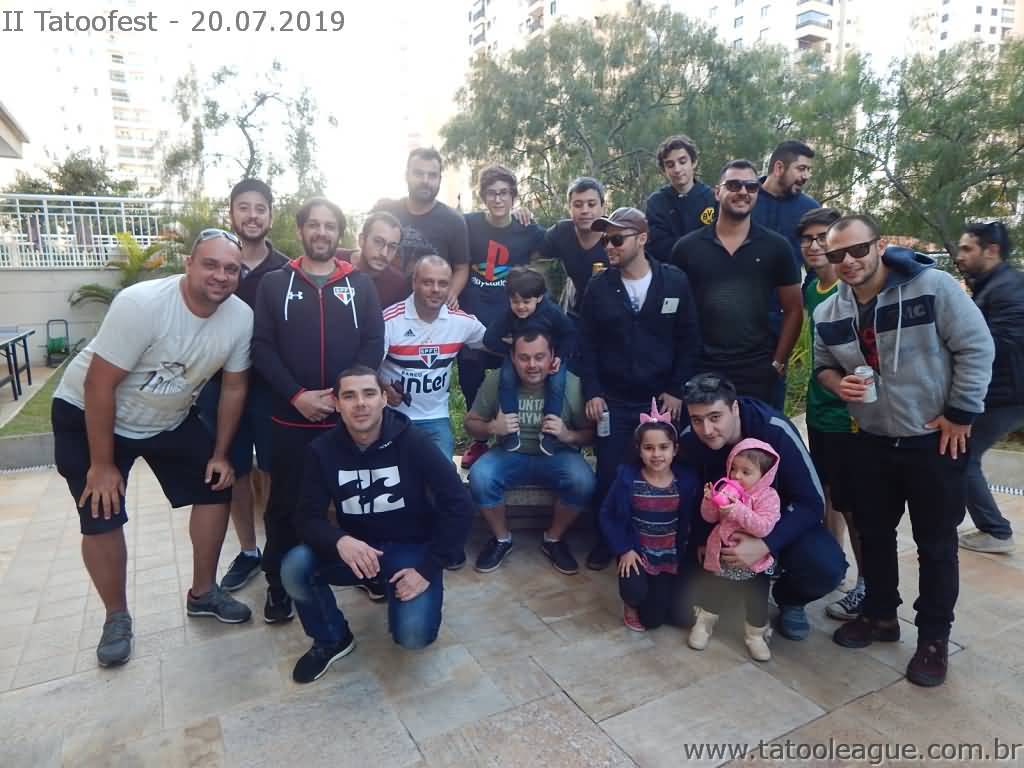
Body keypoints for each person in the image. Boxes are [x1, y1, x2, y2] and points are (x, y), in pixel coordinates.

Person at [52, 229, 255, 667]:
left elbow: (235, 387)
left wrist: (220, 453)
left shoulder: (240, 317)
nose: (221, 275)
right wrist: (102, 465)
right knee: (102, 509)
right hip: (89, 412)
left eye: (231, 269)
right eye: (211, 264)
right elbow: (98, 384)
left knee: (215, 484)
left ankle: (204, 593)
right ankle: (116, 617)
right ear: (189, 263)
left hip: (167, 418)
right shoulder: (142, 304)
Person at [814, 214, 994, 687]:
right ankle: (880, 615)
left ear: (879, 246)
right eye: (837, 254)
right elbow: (822, 366)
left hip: (934, 440)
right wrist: (838, 384)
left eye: (858, 249)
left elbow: (977, 347)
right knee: (874, 535)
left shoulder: (932, 288)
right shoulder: (828, 312)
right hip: (872, 440)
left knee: (936, 546)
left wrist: (961, 413)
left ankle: (933, 638)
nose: (849, 261)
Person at [281, 366, 473, 683]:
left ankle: (397, 588)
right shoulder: (322, 450)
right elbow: (306, 517)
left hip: (410, 548)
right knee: (295, 566)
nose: (360, 403)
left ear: (384, 399)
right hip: (357, 550)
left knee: (414, 637)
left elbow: (460, 503)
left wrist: (428, 568)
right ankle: (332, 639)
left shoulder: (413, 441)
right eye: (349, 396)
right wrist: (339, 541)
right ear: (336, 403)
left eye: (369, 394)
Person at [253, 197, 385, 623]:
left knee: (358, 501)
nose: (322, 232)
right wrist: (298, 396)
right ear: (301, 230)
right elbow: (262, 347)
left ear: (339, 233)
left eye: (330, 226)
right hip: (291, 419)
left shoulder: (360, 285)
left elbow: (373, 343)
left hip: (347, 420)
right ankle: (278, 584)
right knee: (284, 507)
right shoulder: (275, 284)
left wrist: (346, 397)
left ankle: (365, 569)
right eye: (314, 225)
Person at [680, 373, 847, 643]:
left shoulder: (774, 429)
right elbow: (692, 495)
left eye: (715, 417)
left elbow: (812, 501)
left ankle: (789, 598)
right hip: (722, 528)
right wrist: (700, 538)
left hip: (776, 521)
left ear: (734, 408)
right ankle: (735, 586)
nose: (707, 430)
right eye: (697, 419)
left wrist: (766, 543)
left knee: (826, 567)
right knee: (679, 612)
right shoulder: (691, 440)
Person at [579, 206, 700, 570]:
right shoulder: (599, 287)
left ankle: (671, 540)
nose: (609, 247)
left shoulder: (674, 281)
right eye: (605, 240)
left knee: (664, 471)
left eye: (617, 239)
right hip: (614, 400)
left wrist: (677, 389)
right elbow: (587, 344)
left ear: (642, 239)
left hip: (661, 400)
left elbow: (689, 339)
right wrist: (593, 391)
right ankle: (608, 541)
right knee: (610, 473)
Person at [195, 178, 287, 593]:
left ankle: (277, 548)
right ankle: (249, 550)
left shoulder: (285, 270)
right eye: (244, 207)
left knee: (273, 469)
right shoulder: (218, 265)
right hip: (220, 385)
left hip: (271, 387)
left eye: (260, 208)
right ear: (231, 213)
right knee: (232, 469)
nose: (252, 215)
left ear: (271, 216)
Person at [671, 159, 802, 408]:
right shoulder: (686, 248)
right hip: (702, 370)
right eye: (733, 185)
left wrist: (778, 362)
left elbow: (794, 309)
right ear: (717, 192)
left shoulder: (777, 247)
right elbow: (674, 313)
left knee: (760, 435)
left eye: (751, 186)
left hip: (758, 370)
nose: (743, 191)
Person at [465, 331, 596, 575]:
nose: (532, 365)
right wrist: (492, 427)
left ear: (552, 356)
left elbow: (591, 434)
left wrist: (568, 435)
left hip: (557, 455)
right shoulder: (497, 381)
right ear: (513, 358)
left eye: (539, 357)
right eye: (524, 358)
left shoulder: (571, 384)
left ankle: (553, 539)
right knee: (480, 476)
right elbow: (470, 423)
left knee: (583, 481)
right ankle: (501, 539)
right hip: (509, 454)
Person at [797, 207, 864, 621]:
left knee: (856, 504)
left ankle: (868, 585)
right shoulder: (811, 287)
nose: (815, 245)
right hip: (820, 409)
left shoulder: (854, 288)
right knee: (828, 494)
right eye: (808, 239)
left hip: (852, 417)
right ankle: (835, 564)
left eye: (823, 237)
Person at [458, 165, 546, 468]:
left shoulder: (527, 229)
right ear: (483, 196)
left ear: (513, 196)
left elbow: (553, 246)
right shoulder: (467, 224)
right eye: (492, 193)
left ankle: (514, 438)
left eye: (504, 193)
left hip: (511, 322)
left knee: (511, 380)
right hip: (473, 322)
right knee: (470, 380)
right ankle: (479, 440)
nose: (498, 199)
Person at [599, 399, 698, 632]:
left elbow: (694, 518)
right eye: (649, 448)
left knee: (675, 617)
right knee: (643, 606)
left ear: (675, 449)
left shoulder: (685, 481)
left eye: (663, 447)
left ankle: (659, 601)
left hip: (669, 556)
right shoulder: (627, 478)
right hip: (638, 553)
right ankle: (631, 602)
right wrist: (624, 548)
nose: (656, 454)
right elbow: (607, 514)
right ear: (639, 449)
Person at [955, 221, 1023, 554]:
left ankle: (996, 531)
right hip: (1001, 392)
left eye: (967, 248)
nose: (959, 255)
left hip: (1008, 395)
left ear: (991, 251)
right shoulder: (992, 285)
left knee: (963, 457)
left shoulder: (1007, 288)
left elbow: (1003, 342)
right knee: (962, 456)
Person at [380, 254, 486, 463]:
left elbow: (496, 344)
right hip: (392, 416)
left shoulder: (460, 322)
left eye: (443, 283)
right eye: (428, 282)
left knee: (442, 474)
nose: (436, 289)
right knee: (395, 473)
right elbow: (364, 369)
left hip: (435, 418)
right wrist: (383, 387)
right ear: (414, 283)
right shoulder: (389, 321)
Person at [689, 439, 781, 662]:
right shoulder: (727, 489)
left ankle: (755, 635)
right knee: (714, 591)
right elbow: (709, 517)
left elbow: (763, 527)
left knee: (757, 600)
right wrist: (710, 501)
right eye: (734, 469)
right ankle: (704, 624)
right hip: (722, 557)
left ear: (764, 476)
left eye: (746, 472)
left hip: (755, 564)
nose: (737, 476)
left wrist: (737, 509)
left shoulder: (769, 497)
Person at [483, 266, 575, 456]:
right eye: (515, 301)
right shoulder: (509, 315)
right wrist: (511, 352)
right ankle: (511, 430)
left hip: (550, 357)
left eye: (526, 302)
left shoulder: (551, 312)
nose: (521, 307)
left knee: (557, 383)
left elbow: (570, 334)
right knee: (506, 379)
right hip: (520, 357)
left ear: (539, 298)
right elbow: (489, 338)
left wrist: (559, 356)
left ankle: (549, 433)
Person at [374, 147, 470, 309]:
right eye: (418, 173)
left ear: (439, 179)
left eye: (432, 175)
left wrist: (451, 294)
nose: (425, 180)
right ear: (406, 175)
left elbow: (461, 268)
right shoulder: (386, 212)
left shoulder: (454, 220)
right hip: (384, 304)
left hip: (430, 312)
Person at [539, 177, 609, 324]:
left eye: (591, 204)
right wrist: (520, 218)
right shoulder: (561, 233)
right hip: (576, 314)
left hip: (614, 315)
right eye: (578, 205)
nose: (585, 210)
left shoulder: (616, 236)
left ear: (603, 207)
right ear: (569, 208)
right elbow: (532, 250)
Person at [644, 134, 717, 263]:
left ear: (694, 162)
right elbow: (658, 246)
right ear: (664, 170)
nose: (677, 169)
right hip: (670, 270)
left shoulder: (713, 198)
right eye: (670, 165)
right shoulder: (656, 203)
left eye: (682, 162)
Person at [752, 140, 820, 273]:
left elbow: (817, 262)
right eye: (801, 169)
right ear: (779, 168)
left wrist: (807, 286)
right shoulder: (745, 199)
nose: (806, 176)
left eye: (808, 170)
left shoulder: (811, 209)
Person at [338, 211, 410, 309]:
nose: (384, 253)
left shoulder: (397, 285)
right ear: (362, 240)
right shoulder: (334, 260)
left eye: (392, 246)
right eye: (378, 242)